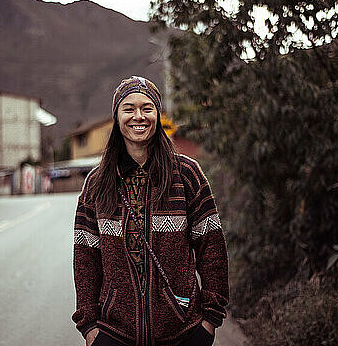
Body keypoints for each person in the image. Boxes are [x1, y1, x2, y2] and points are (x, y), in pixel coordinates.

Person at [72, 76, 229, 346]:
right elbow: (86, 257)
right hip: (114, 334)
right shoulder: (97, 184)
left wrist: (209, 320)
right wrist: (89, 327)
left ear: (157, 114)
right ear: (116, 117)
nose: (138, 116)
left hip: (183, 331)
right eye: (129, 109)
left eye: (147, 108)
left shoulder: (186, 174)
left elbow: (211, 245)